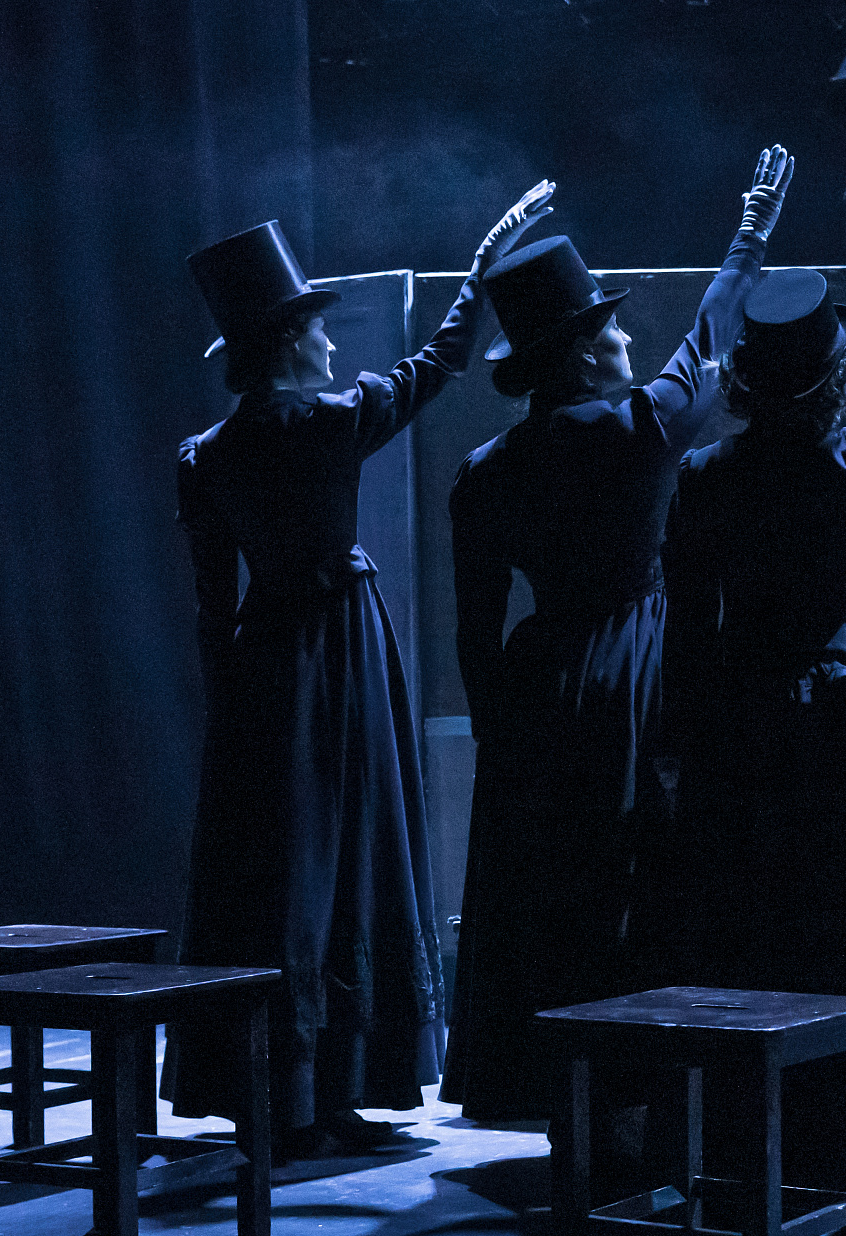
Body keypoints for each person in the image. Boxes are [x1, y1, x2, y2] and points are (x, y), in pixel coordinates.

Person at [167, 187, 556, 1159]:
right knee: (344, 850)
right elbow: (440, 363)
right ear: (288, 341)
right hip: (337, 654)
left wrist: (231, 710)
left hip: (265, 666)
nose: (332, 342)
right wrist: (480, 267)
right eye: (318, 328)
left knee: (281, 862)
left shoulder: (206, 455)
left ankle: (288, 1088)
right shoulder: (327, 422)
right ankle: (321, 1086)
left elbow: (213, 605)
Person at [440, 147, 794, 1123]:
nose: (627, 336)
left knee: (544, 878)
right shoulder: (639, 429)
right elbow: (709, 333)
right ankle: (640, 1084)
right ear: (584, 354)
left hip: (540, 682)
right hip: (635, 661)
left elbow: (475, 627)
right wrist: (750, 232)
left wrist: (499, 729)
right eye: (608, 327)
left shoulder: (483, 471)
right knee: (633, 869)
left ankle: (540, 1076)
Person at [659, 199, 846, 1213]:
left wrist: (678, 753)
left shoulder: (703, 476)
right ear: (833, 378)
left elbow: (686, 625)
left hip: (743, 735)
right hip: (843, 727)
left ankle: (757, 1142)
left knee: (761, 927)